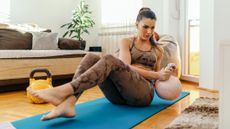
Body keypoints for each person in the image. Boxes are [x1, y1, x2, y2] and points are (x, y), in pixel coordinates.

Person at [28, 7, 177, 121]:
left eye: (152, 28)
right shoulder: (126, 42)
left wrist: (163, 74)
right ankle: (69, 102)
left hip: (142, 94)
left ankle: (63, 91)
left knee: (110, 59)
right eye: (145, 26)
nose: (149, 31)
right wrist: (156, 74)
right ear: (137, 24)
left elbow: (156, 80)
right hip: (118, 96)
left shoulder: (158, 49)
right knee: (91, 57)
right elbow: (125, 65)